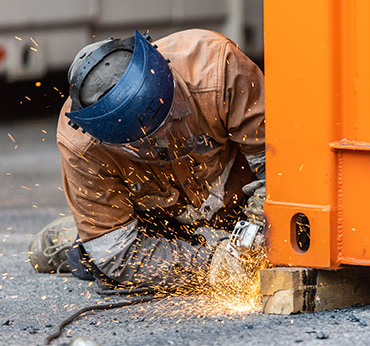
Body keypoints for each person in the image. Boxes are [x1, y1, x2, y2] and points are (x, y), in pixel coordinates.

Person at [28, 29, 266, 290]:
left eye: (170, 119)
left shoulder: (218, 68)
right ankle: (71, 238)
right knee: (101, 267)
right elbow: (117, 251)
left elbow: (278, 169)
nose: (167, 136)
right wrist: (212, 265)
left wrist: (254, 233)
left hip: (239, 198)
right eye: (149, 140)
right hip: (159, 220)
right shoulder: (82, 145)